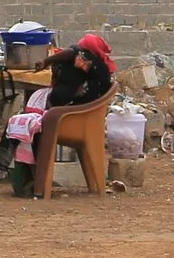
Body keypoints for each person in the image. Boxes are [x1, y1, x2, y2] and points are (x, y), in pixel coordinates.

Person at [11, 32, 115, 198]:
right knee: (28, 125)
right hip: (74, 114)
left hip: (72, 118)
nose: (78, 52)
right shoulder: (91, 68)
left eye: (82, 48)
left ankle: (36, 183)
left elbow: (72, 52)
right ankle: (33, 181)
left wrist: (47, 61)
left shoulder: (92, 64)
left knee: (34, 127)